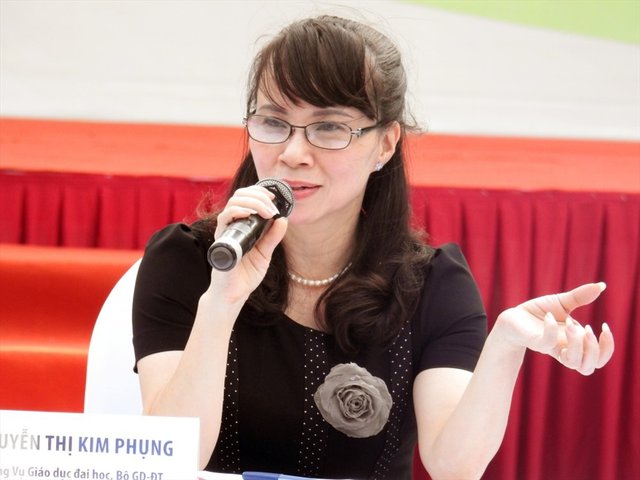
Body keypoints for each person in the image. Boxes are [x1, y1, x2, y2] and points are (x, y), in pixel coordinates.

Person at [132, 15, 615, 480]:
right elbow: (172, 459)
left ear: (385, 144)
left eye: (328, 127)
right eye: (274, 122)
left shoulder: (432, 283)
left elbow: (454, 466)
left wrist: (505, 345)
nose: (293, 154)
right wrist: (221, 301)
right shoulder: (189, 260)